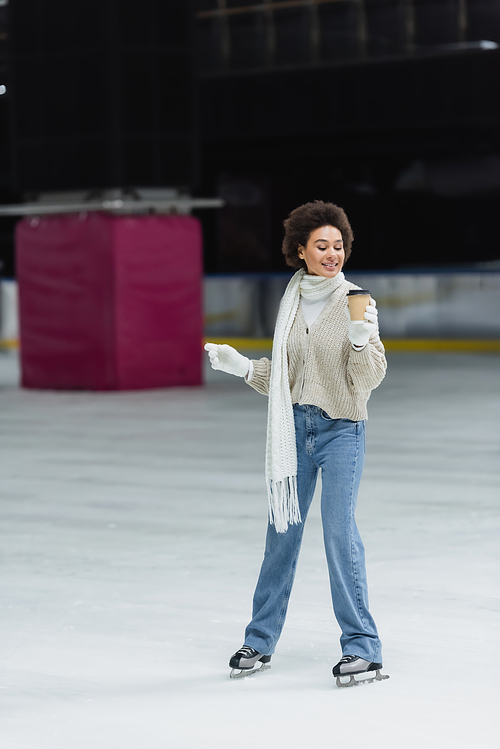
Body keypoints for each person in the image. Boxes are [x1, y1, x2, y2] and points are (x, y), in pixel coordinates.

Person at [205, 201, 388, 687]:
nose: (333, 253)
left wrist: (358, 338)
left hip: (341, 430)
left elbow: (369, 379)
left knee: (338, 533)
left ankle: (363, 648)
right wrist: (241, 366)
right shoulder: (290, 303)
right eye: (322, 245)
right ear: (300, 250)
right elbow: (285, 380)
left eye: (339, 245)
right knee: (281, 536)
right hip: (294, 429)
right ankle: (258, 641)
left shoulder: (357, 300)